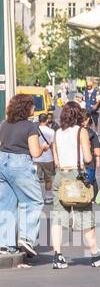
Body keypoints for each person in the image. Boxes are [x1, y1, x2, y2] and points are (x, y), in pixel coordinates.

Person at [49, 103, 100, 270]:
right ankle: (95, 252)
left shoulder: (57, 133)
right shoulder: (81, 131)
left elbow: (55, 159)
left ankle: (57, 255)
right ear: (78, 115)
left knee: (58, 215)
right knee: (84, 213)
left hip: (60, 175)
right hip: (76, 175)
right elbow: (87, 156)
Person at [0, 94, 48, 262]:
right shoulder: (30, 126)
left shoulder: (4, 125)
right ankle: (26, 238)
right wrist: (43, 148)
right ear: (26, 108)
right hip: (20, 163)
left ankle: (6, 245)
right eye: (32, 106)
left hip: (2, 162)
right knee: (34, 201)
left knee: (7, 204)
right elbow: (34, 153)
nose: (34, 109)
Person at [35, 112, 56, 205]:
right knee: (48, 179)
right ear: (47, 120)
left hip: (36, 158)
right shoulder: (51, 131)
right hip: (48, 158)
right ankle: (48, 197)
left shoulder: (34, 130)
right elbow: (52, 146)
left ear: (39, 120)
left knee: (35, 179)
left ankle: (37, 197)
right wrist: (55, 158)